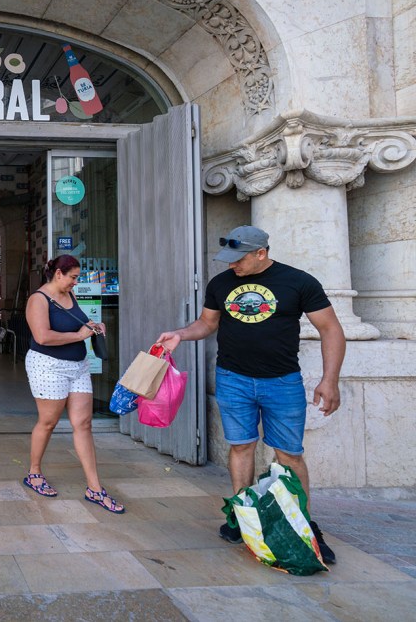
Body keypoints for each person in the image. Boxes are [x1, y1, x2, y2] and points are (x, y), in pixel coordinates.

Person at [156, 225, 345, 563]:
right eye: (229, 259)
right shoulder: (221, 284)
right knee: (241, 446)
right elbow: (207, 324)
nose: (232, 265)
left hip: (282, 382)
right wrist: (180, 334)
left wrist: (330, 380)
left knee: (289, 455)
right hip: (233, 379)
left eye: (238, 259)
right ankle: (242, 516)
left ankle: (302, 522)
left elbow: (330, 329)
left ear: (261, 253)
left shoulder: (299, 282)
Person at [22, 255, 123, 513]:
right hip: (48, 366)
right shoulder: (38, 299)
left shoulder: (70, 294)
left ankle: (95, 488)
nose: (76, 282)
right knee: (48, 422)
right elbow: (42, 337)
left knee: (84, 424)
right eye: (73, 277)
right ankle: (34, 473)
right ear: (58, 274)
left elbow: (77, 323)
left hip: (78, 365)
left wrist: (92, 327)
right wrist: (79, 336)